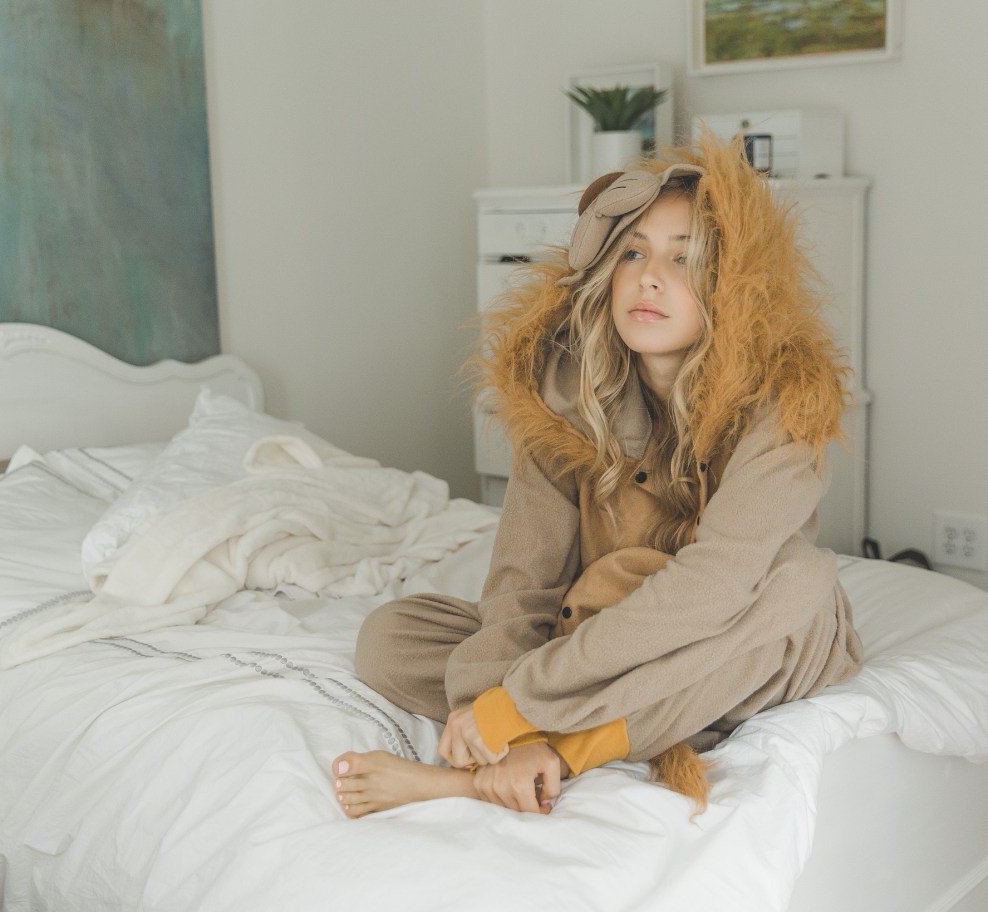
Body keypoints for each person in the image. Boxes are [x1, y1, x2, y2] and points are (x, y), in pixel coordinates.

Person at [332, 137, 863, 819]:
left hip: (731, 630)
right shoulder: (562, 398)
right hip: (601, 629)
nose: (649, 277)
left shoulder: (786, 404)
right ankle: (560, 739)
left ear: (734, 286)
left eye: (684, 258)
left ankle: (548, 759)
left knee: (802, 588)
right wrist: (489, 703)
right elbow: (526, 579)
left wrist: (520, 704)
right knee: (391, 635)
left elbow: (716, 587)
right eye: (634, 252)